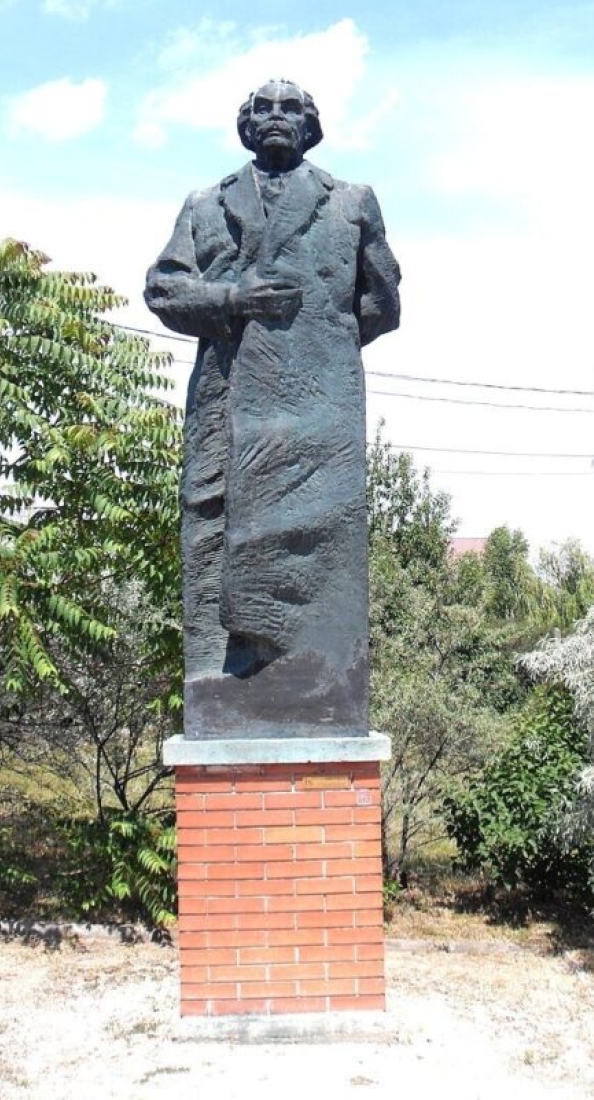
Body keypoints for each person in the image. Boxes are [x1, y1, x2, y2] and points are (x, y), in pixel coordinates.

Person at [144, 79, 401, 739]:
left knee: (320, 542)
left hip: (319, 407)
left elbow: (381, 302)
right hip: (225, 399)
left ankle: (313, 679)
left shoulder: (350, 202)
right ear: (245, 126)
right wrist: (232, 301)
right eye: (263, 108)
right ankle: (232, 671)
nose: (277, 117)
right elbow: (164, 288)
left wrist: (317, 346)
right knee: (212, 529)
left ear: (312, 126)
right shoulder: (206, 205)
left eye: (291, 108)